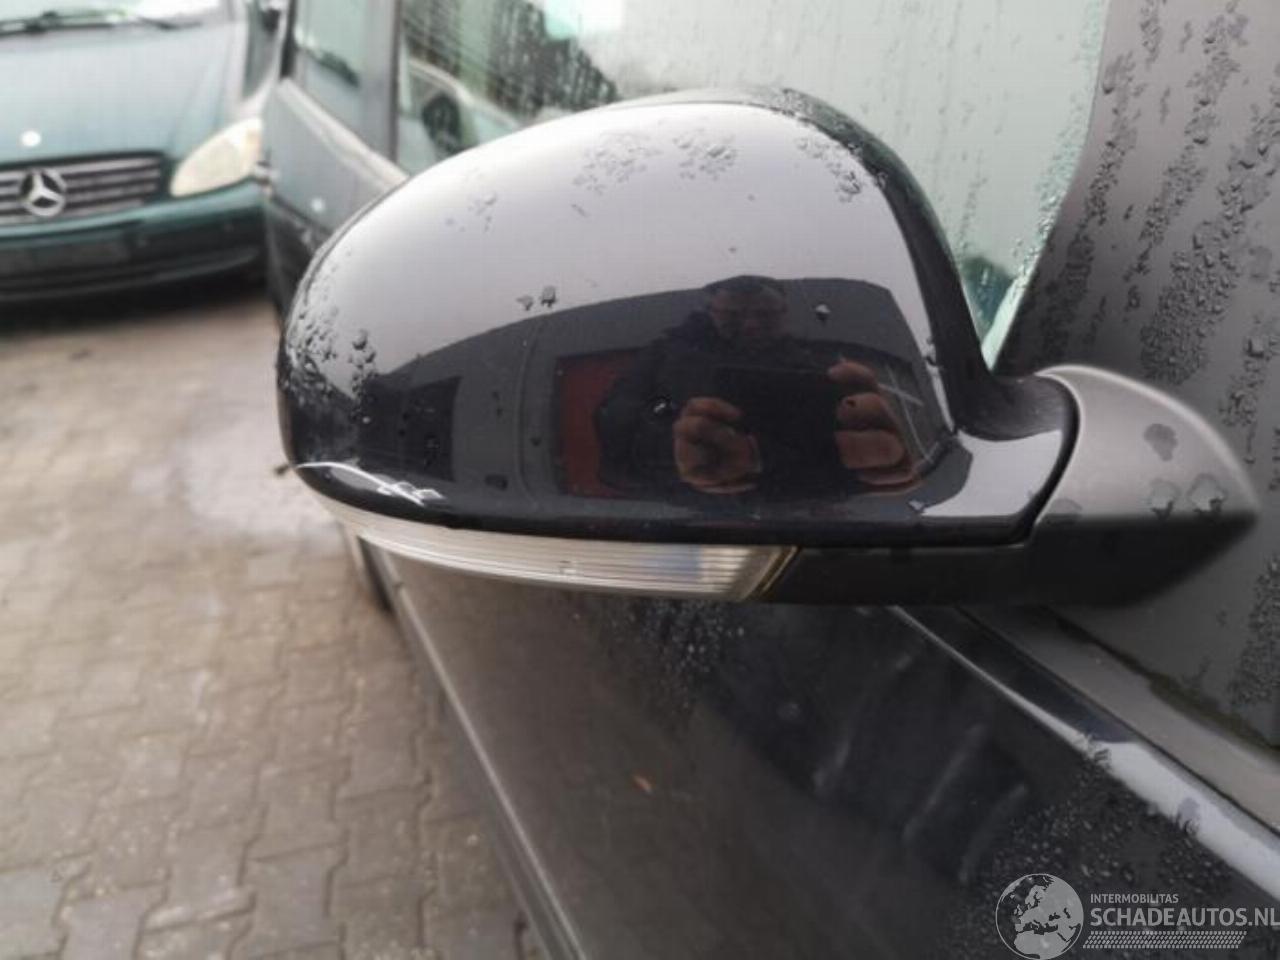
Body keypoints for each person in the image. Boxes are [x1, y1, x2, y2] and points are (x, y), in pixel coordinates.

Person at [594, 275, 916, 499]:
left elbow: (836, 455)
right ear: (711, 313)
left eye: (764, 314)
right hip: (690, 514)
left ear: (784, 315)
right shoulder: (666, 355)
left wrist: (895, 462)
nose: (750, 324)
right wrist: (678, 449)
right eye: (733, 315)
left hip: (807, 512)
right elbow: (615, 428)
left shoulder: (821, 366)